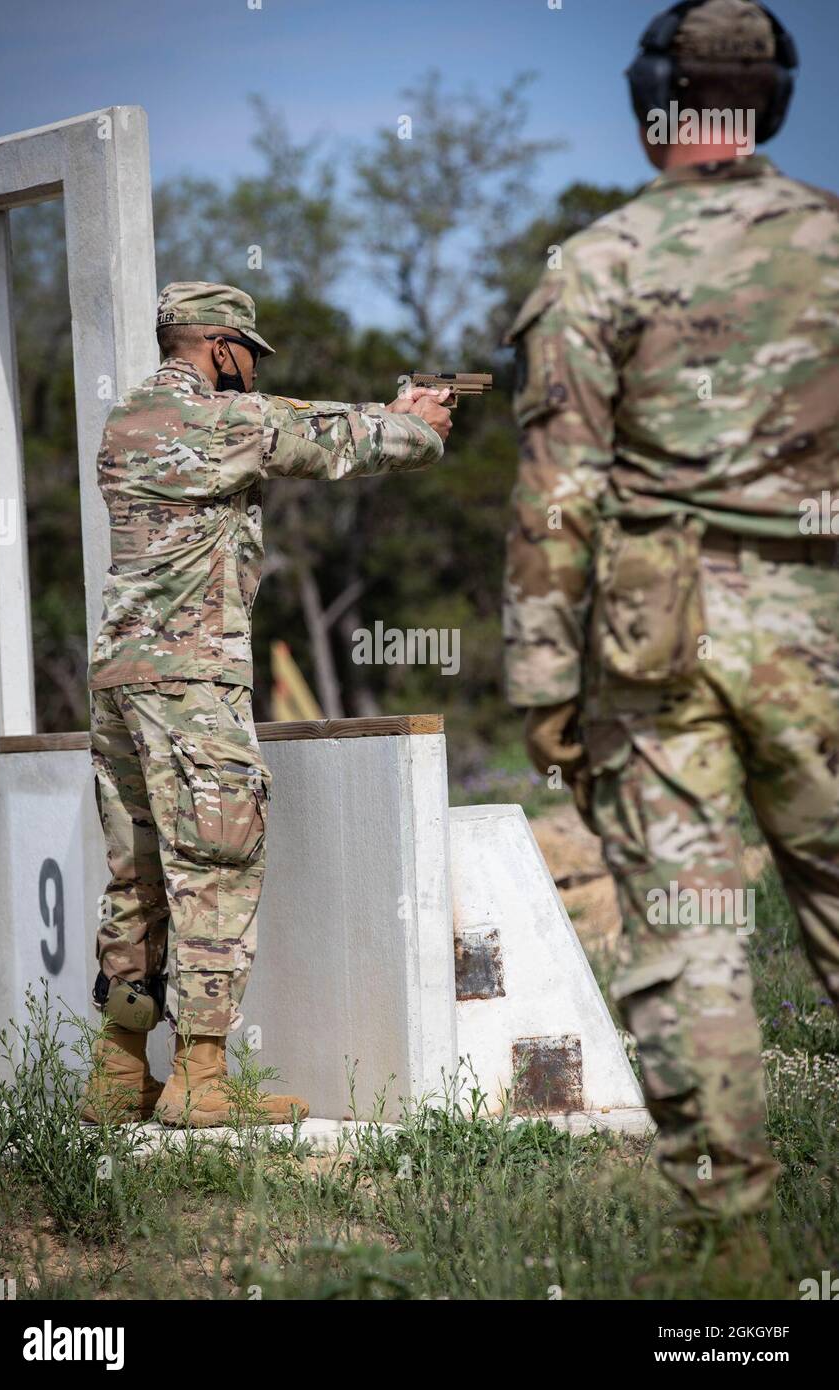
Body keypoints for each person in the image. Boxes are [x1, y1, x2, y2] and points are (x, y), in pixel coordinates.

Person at [504, 0, 838, 1232]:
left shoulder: (595, 266)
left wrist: (541, 685)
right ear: (774, 104)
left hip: (658, 649)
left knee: (691, 942)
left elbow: (556, 500)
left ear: (654, 104)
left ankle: (729, 1250)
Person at [80, 281, 451, 1127]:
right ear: (219, 347)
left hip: (118, 678)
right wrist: (418, 427)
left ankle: (118, 1070)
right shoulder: (217, 420)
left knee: (137, 872)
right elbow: (328, 438)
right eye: (247, 355)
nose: (250, 371)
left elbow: (301, 420)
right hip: (191, 678)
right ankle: (201, 1081)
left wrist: (390, 408)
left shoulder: (127, 420)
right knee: (216, 861)